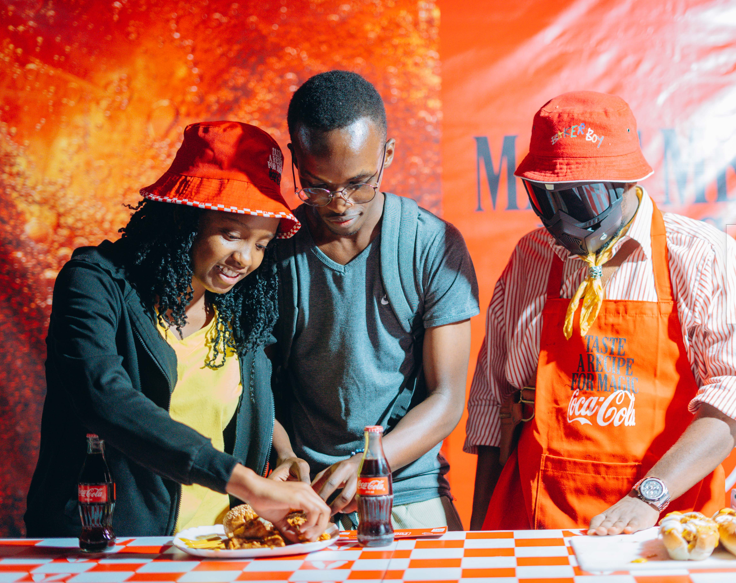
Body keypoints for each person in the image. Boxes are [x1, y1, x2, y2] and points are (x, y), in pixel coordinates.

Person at [465, 91, 736, 533]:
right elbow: (496, 402)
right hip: (539, 524)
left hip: (666, 528)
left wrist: (648, 497)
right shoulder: (532, 256)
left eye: (578, 201)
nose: (559, 222)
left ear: (627, 183)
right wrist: (480, 532)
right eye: (543, 198)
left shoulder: (704, 257)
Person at [25, 121, 330, 540]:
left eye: (261, 244)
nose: (245, 259)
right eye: (230, 234)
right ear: (183, 220)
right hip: (106, 547)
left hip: (212, 546)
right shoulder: (94, 283)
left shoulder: (235, 312)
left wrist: (283, 453)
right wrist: (245, 482)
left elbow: (234, 400)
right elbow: (105, 398)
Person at [270, 70, 479, 530]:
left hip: (407, 486)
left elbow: (446, 399)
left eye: (359, 183)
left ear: (387, 154)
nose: (340, 203)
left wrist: (372, 460)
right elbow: (251, 383)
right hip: (307, 500)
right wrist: (284, 456)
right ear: (295, 159)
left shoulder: (432, 245)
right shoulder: (271, 250)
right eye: (318, 186)